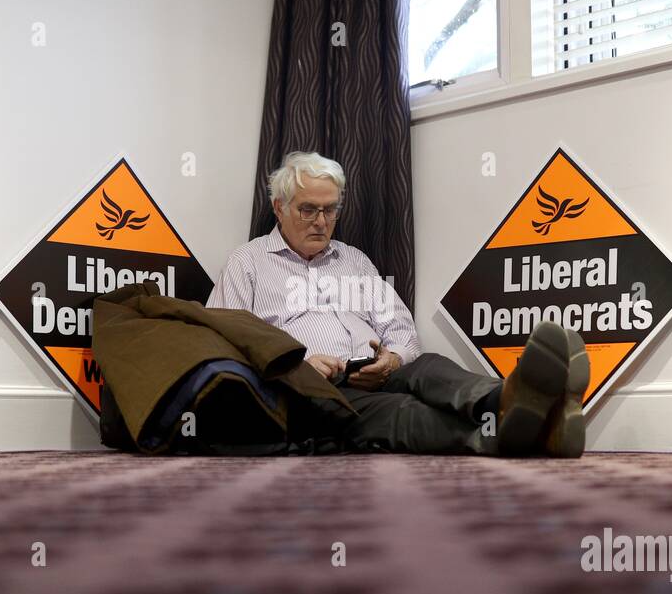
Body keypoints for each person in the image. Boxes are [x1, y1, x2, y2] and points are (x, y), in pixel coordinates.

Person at [207, 151, 587, 457]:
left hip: (376, 372)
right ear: (279, 208)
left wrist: (392, 360)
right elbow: (219, 349)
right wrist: (297, 366)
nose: (321, 221)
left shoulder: (353, 259)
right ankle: (530, 430)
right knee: (401, 414)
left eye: (331, 210)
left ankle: (503, 397)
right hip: (311, 390)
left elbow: (402, 331)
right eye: (308, 209)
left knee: (428, 367)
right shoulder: (248, 262)